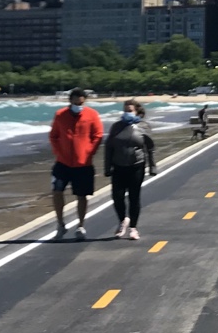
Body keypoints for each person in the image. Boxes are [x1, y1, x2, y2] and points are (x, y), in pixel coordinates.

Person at [49, 88, 104, 240]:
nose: (79, 104)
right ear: (70, 100)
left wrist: (89, 152)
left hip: (83, 164)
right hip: (62, 163)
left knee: (82, 195)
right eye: (76, 101)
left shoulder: (92, 114)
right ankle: (60, 224)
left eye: (82, 102)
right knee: (56, 191)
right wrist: (59, 152)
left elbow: (98, 135)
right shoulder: (60, 115)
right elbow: (53, 136)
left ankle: (80, 225)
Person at [103, 100, 156, 241]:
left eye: (130, 110)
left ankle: (133, 227)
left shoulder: (143, 126)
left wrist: (152, 166)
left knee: (134, 197)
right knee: (117, 197)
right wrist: (107, 167)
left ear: (137, 112)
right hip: (118, 167)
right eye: (125, 110)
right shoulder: (116, 127)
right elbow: (108, 148)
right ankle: (122, 220)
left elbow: (150, 148)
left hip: (136, 166)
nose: (127, 113)